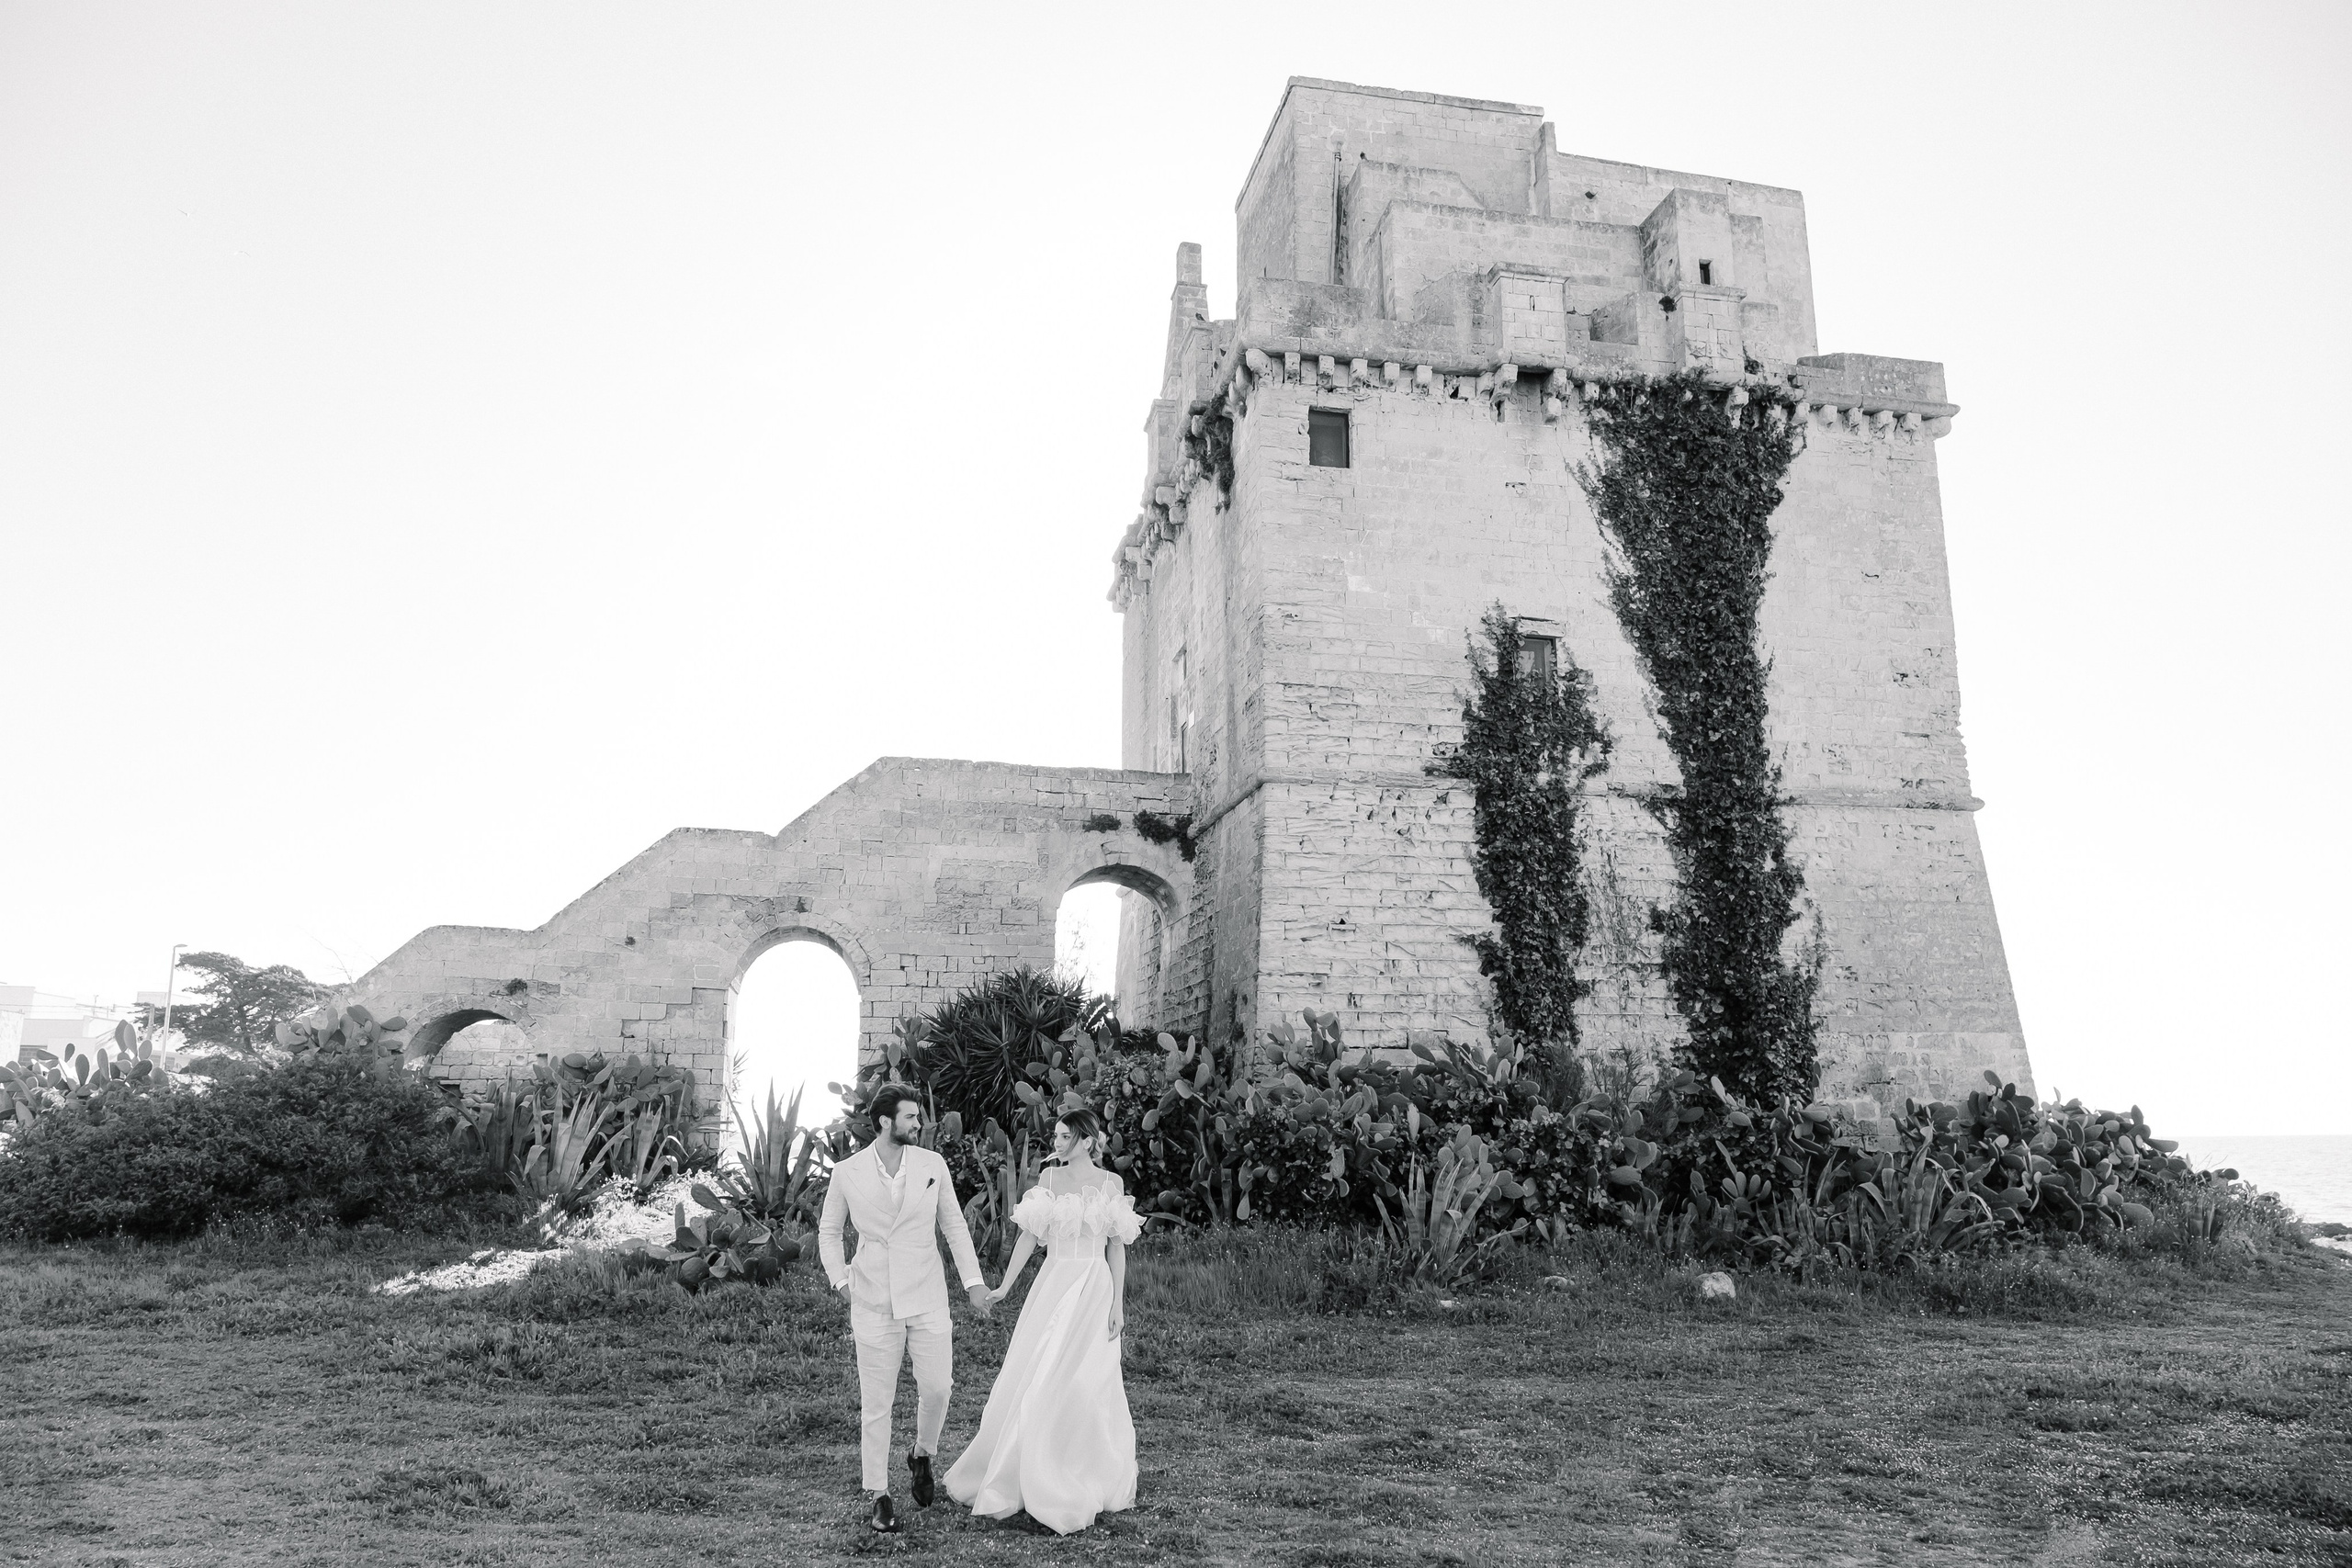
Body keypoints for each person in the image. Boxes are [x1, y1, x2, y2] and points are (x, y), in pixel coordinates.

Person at [944, 1106, 1144, 1534]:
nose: (1055, 1142)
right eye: (1054, 1135)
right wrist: (1005, 1286)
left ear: (1087, 1141)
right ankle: (1028, 1466)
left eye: (1064, 1136)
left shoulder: (1112, 1184)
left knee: (1090, 1379)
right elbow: (1029, 1238)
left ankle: (1081, 1468)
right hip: (1054, 1284)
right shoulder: (1049, 1181)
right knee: (1039, 1373)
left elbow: (1115, 1248)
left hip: (1095, 1287)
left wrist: (1118, 1306)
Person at [817, 1083, 992, 1535]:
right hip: (872, 1299)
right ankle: (878, 1493)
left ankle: (922, 1453)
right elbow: (829, 1232)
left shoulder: (932, 1165)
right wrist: (840, 1280)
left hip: (927, 1294)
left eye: (918, 1117)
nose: (919, 1124)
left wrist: (973, 1283)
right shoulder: (847, 1172)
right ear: (884, 1122)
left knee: (938, 1387)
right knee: (877, 1403)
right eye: (911, 1118)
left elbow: (953, 1224)